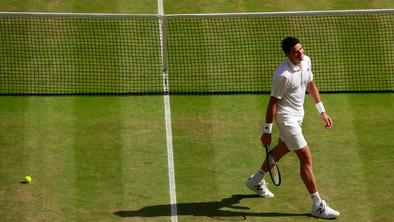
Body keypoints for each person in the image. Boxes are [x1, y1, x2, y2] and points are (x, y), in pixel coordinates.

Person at [245, 37, 340, 219]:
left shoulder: (306, 61)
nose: (301, 53)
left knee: (282, 149)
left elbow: (311, 85)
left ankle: (255, 180)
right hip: (286, 119)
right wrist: (267, 131)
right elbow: (272, 103)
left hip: (299, 116)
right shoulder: (283, 75)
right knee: (305, 156)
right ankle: (317, 205)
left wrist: (322, 112)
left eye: (301, 49)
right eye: (296, 51)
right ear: (287, 54)